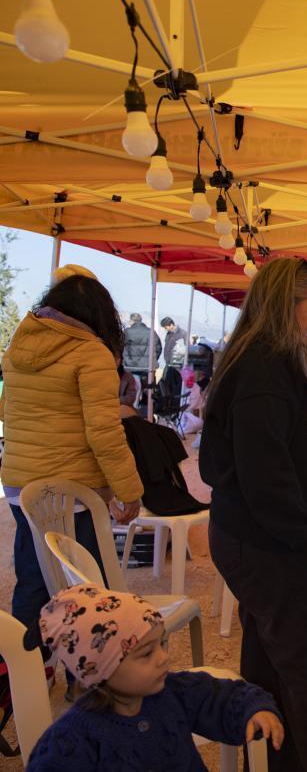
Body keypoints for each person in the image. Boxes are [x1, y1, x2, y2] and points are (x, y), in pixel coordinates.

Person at [200, 257, 307, 771]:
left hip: (263, 534)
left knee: (271, 660)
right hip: (263, 541)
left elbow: (288, 455)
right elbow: (264, 472)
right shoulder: (263, 369)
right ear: (284, 308)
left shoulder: (268, 360)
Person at [0, 273, 143, 649]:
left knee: (33, 575)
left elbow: (6, 411)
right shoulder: (91, 353)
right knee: (86, 584)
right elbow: (105, 433)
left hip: (19, 484)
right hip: (72, 490)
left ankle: (26, 666)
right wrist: (130, 491)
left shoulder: (18, 346)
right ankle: (91, 668)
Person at [28, 584, 283, 771]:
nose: (163, 658)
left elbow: (217, 696)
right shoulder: (71, 740)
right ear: (102, 669)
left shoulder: (174, 691)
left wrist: (252, 708)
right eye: (146, 653)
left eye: (161, 644)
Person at [122, 312, 161, 401]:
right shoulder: (151, 332)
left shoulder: (127, 332)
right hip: (147, 368)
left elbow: (120, 347)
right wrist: (152, 360)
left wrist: (125, 360)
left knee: (131, 393)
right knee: (148, 394)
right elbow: (158, 348)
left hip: (130, 367)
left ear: (131, 321)